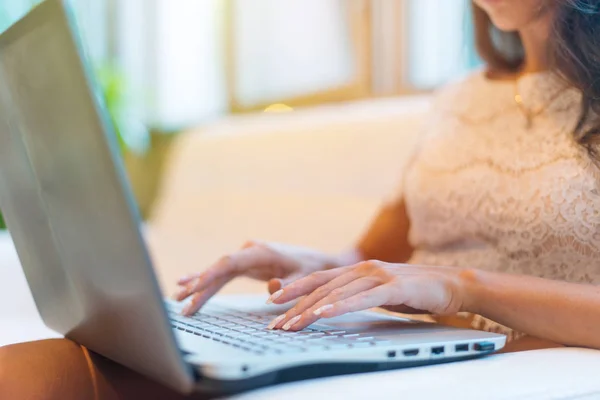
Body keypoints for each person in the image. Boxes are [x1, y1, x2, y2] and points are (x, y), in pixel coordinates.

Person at [1, 1, 599, 399]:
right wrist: (313, 267)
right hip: (392, 348)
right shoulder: (458, 100)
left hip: (499, 368)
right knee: (47, 372)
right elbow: (371, 255)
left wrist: (461, 285)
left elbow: (440, 276)